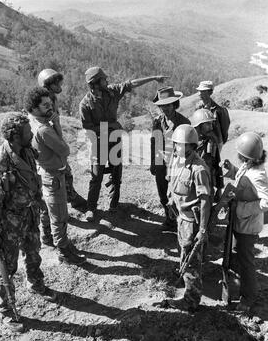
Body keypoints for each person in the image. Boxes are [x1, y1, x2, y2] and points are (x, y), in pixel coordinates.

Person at [0, 114, 57, 333]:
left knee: (33, 252)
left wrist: (39, 200)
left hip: (29, 213)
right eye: (27, 132)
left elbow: (33, 177)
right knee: (6, 267)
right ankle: (5, 310)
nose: (32, 134)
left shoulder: (27, 150)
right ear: (15, 136)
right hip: (9, 222)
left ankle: (35, 284)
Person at [80, 66, 168, 222]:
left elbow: (130, 84)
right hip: (98, 143)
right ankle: (91, 208)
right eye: (104, 79)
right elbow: (88, 129)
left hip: (114, 140)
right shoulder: (85, 104)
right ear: (95, 83)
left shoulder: (112, 92)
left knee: (116, 174)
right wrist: (111, 126)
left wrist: (153, 77)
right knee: (96, 176)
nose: (107, 81)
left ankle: (113, 204)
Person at [26, 87, 85, 265]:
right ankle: (64, 251)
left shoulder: (31, 121)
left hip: (42, 172)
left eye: (50, 104)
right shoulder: (45, 130)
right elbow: (65, 150)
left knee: (48, 210)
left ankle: (48, 238)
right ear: (35, 108)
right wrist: (57, 124)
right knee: (59, 216)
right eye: (45, 105)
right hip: (53, 175)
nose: (50, 107)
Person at [223, 132, 268, 313]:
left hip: (247, 225)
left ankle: (248, 298)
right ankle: (240, 288)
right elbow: (243, 179)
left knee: (246, 262)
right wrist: (232, 170)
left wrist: (243, 209)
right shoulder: (249, 166)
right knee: (240, 257)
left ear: (244, 154)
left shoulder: (258, 174)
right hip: (241, 223)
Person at [164, 125, 212, 312]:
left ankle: (191, 300)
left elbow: (205, 200)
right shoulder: (176, 160)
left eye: (182, 145)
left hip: (192, 222)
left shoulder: (199, 168)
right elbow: (172, 182)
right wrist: (170, 199)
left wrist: (203, 229)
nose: (178, 147)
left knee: (191, 262)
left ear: (192, 145)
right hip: (180, 218)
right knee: (184, 256)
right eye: (176, 144)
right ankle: (188, 289)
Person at [38, 68, 87, 211]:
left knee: (63, 170)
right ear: (47, 85)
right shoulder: (45, 101)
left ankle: (69, 196)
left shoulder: (51, 97)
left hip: (53, 136)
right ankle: (68, 199)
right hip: (48, 139)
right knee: (61, 169)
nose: (59, 85)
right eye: (56, 83)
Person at [150, 87, 190, 229]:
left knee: (178, 194)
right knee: (163, 194)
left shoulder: (184, 122)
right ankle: (169, 219)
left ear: (174, 104)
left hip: (177, 164)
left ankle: (182, 222)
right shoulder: (157, 122)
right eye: (162, 106)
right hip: (161, 163)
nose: (165, 108)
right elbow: (154, 142)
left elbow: (189, 146)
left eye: (168, 105)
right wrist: (153, 163)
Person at [191, 108, 224, 201]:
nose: (211, 127)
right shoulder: (188, 143)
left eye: (211, 124)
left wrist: (219, 188)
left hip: (208, 187)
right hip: (191, 187)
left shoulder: (211, 142)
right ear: (198, 126)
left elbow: (217, 165)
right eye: (208, 124)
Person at [196, 80, 230, 151]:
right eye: (199, 91)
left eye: (202, 91)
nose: (199, 94)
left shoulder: (219, 110)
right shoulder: (198, 107)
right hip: (201, 141)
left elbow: (224, 128)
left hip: (215, 143)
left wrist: (219, 142)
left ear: (210, 92)